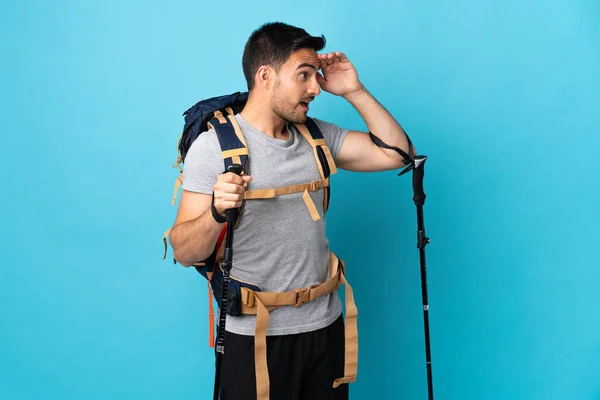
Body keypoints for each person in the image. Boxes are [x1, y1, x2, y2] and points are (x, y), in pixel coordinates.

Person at [168, 22, 414, 400]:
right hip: (255, 338)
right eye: (303, 75)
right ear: (266, 76)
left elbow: (398, 153)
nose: (315, 88)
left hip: (325, 328)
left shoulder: (317, 137)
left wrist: (354, 90)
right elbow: (185, 252)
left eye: (315, 76)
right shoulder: (213, 148)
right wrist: (216, 212)